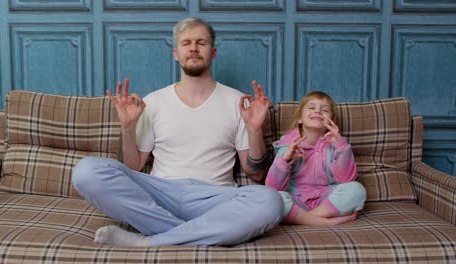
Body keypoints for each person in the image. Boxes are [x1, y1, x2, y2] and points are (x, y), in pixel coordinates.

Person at [71, 17, 283, 247]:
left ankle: (150, 241)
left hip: (214, 198)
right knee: (86, 171)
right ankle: (188, 234)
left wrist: (254, 129)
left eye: (201, 42)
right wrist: (128, 128)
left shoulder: (237, 103)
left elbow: (257, 175)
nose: (193, 48)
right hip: (161, 194)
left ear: (213, 53)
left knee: (271, 201)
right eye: (186, 43)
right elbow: (132, 167)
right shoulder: (153, 102)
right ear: (176, 53)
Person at [266, 91, 366, 226]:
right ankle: (326, 223)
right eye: (311, 107)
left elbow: (346, 180)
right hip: (296, 199)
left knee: (356, 189)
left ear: (331, 121)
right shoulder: (289, 145)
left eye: (325, 110)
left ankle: (306, 219)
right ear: (300, 119)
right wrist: (285, 159)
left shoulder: (335, 145)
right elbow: (273, 187)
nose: (318, 111)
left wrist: (341, 146)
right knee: (274, 198)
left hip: (324, 201)